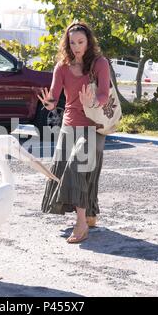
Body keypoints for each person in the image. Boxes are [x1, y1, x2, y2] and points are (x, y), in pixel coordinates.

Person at [38, 21, 111, 243]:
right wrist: (49, 104)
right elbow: (53, 95)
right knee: (68, 170)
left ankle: (81, 223)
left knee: (78, 168)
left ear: (89, 41)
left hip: (93, 126)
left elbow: (105, 94)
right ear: (67, 44)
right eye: (72, 42)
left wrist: (93, 101)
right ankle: (89, 213)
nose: (76, 46)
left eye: (81, 42)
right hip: (69, 124)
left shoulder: (99, 64)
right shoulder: (62, 66)